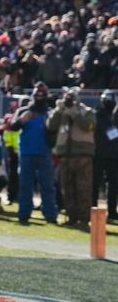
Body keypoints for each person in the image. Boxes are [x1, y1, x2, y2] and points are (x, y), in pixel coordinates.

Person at [9, 82, 58, 225]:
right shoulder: (24, 110)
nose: (39, 97)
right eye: (37, 94)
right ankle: (24, 214)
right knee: (25, 185)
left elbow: (55, 131)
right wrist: (22, 119)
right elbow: (13, 127)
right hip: (26, 152)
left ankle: (50, 215)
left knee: (47, 186)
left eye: (42, 94)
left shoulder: (49, 113)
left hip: (44, 152)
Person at [47, 87, 96, 227]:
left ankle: (83, 219)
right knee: (66, 188)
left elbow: (90, 126)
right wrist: (59, 110)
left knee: (83, 188)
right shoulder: (61, 112)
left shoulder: (87, 111)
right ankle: (71, 217)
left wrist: (75, 114)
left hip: (82, 155)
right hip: (65, 155)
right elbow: (51, 126)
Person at [93, 90, 118, 221]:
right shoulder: (96, 115)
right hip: (99, 154)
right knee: (95, 183)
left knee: (113, 184)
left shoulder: (115, 116)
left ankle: (112, 211)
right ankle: (93, 209)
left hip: (113, 155)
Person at [0, 99, 21, 205]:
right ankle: (11, 196)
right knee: (13, 174)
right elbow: (6, 133)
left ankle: (20, 196)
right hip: (14, 151)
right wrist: (9, 146)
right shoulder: (9, 118)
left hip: (24, 150)